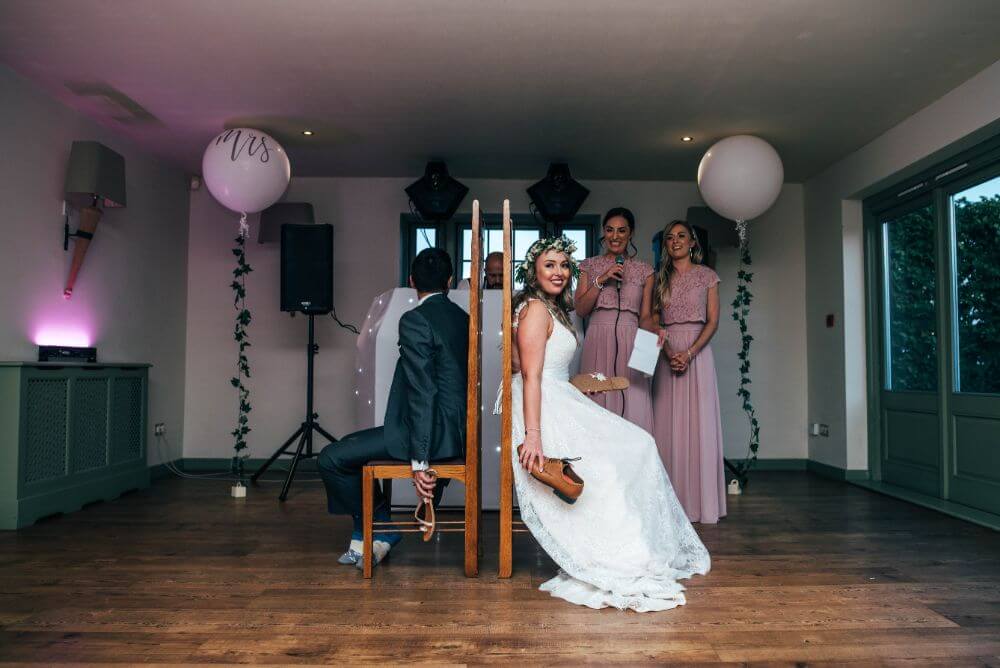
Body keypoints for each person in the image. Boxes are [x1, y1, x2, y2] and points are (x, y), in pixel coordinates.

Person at [509, 235, 710, 611]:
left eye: (564, 265)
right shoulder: (535, 309)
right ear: (533, 270)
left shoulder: (553, 309)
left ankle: (636, 543)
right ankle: (620, 551)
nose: (559, 272)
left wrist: (579, 388)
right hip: (543, 408)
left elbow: (547, 371)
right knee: (616, 457)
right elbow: (530, 377)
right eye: (549, 264)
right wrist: (534, 438)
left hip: (559, 396)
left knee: (638, 443)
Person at [317, 248, 469, 568]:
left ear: (411, 281)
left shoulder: (415, 319)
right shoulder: (464, 319)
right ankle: (370, 532)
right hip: (455, 433)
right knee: (351, 449)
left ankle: (379, 529)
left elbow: (423, 390)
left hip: (425, 434)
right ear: (451, 282)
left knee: (332, 457)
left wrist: (420, 459)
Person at [651, 221, 725, 524]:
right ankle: (671, 504)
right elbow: (654, 320)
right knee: (666, 425)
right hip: (666, 351)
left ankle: (701, 504)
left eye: (681, 236)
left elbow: (713, 321)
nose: (675, 241)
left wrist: (690, 353)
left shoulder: (708, 276)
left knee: (700, 424)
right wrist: (669, 353)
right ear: (665, 245)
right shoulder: (658, 278)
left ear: (693, 242)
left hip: (698, 354)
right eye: (669, 237)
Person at [575, 208, 656, 433]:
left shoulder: (645, 270)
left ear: (631, 234)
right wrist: (602, 279)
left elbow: (647, 317)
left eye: (622, 230)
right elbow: (581, 309)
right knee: (597, 399)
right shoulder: (588, 266)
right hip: (598, 339)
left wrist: (652, 348)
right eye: (610, 230)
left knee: (634, 402)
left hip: (631, 340)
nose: (615, 236)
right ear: (603, 232)